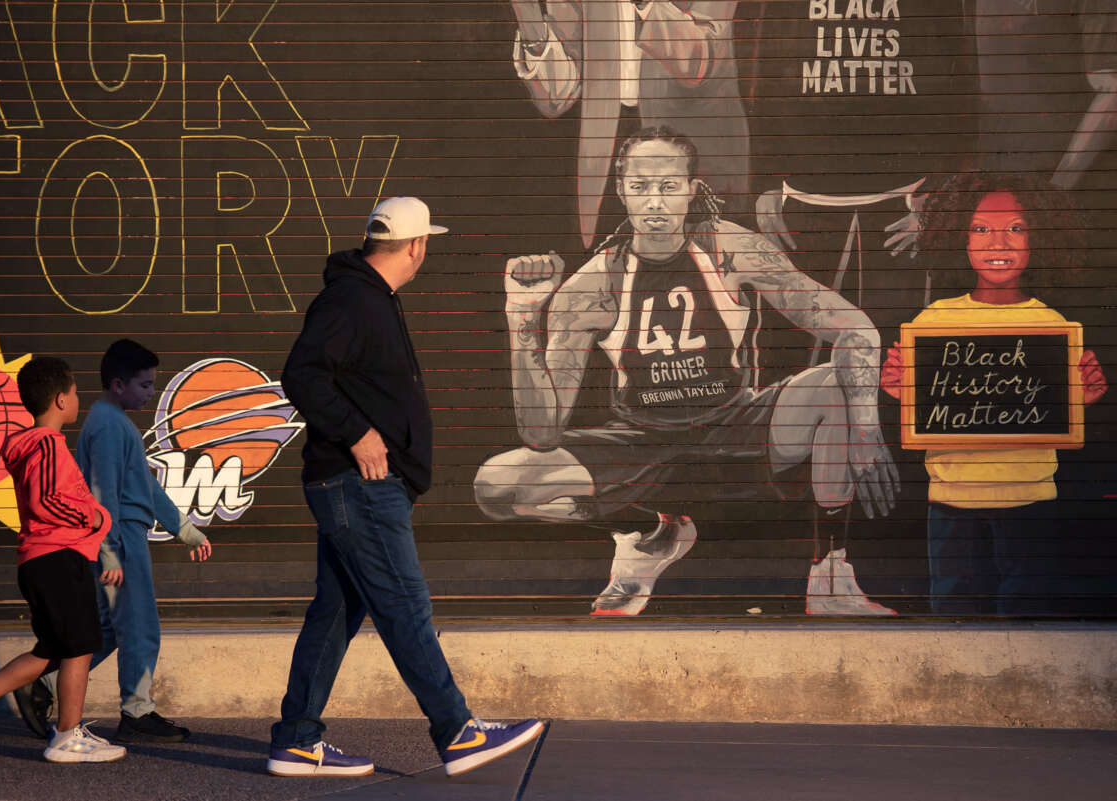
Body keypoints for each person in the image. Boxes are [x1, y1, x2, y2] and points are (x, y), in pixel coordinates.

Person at [475, 126, 900, 616]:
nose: (654, 203)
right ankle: (649, 535)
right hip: (643, 442)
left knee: (836, 383)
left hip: (738, 426)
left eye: (668, 187)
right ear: (621, 191)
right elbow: (541, 432)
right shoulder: (590, 285)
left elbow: (856, 330)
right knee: (498, 484)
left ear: (692, 189)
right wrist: (523, 318)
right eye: (640, 188)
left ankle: (831, 578)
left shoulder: (731, 250)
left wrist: (866, 429)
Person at [269, 196, 543, 778]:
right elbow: (301, 374)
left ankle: (296, 738)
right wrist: (360, 434)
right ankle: (457, 730)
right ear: (417, 246)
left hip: (357, 486)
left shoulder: (369, 297)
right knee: (404, 605)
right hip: (359, 483)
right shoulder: (351, 299)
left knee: (337, 610)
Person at [880, 173, 1108, 614]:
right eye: (981, 229)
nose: (997, 244)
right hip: (951, 499)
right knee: (954, 616)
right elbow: (927, 406)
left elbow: (1052, 409)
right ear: (958, 238)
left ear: (1039, 237)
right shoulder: (934, 321)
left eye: (1015, 228)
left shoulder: (1051, 325)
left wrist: (1082, 401)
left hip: (1029, 499)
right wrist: (898, 392)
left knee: (1026, 624)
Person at [14, 340, 213, 743]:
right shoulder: (106, 425)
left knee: (102, 633)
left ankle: (43, 687)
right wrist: (110, 551)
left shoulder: (117, 422)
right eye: (145, 385)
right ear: (118, 385)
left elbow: (146, 487)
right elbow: (101, 492)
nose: (151, 392)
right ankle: (137, 713)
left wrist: (185, 530)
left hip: (120, 539)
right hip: (120, 542)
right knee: (140, 627)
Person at [0, 357, 125, 763]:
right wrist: (92, 516)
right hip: (58, 556)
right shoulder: (47, 444)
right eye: (76, 393)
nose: (79, 399)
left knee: (55, 648)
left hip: (44, 559)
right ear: (61, 400)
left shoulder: (38, 446)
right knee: (78, 648)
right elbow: (48, 499)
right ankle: (67, 736)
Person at [510, 0, 750, 246]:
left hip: (696, 168)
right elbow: (557, 95)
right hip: (608, 162)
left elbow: (697, 59)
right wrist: (529, 16)